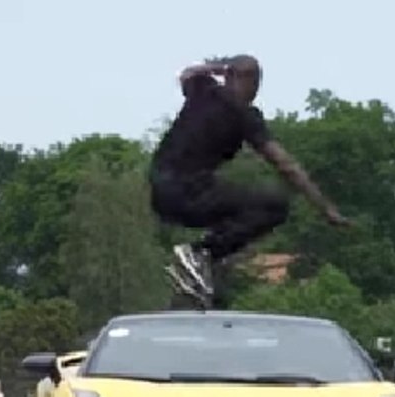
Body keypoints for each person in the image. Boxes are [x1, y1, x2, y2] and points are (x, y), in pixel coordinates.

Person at [149, 55, 350, 302]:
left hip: (160, 193)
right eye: (255, 84)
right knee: (274, 205)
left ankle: (200, 268)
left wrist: (220, 68)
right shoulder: (244, 115)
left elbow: (187, 74)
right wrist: (325, 207)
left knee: (236, 199)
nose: (255, 93)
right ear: (250, 81)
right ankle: (202, 253)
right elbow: (286, 166)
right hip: (190, 192)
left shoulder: (204, 89)